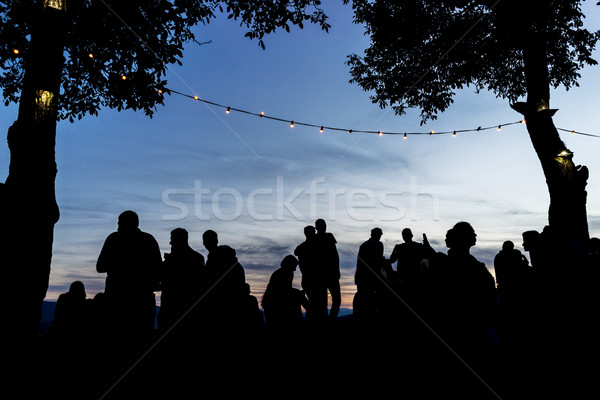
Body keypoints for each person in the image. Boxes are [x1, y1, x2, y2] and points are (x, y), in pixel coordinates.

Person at [96, 210, 161, 338]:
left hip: (117, 299)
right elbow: (158, 270)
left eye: (119, 223)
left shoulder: (113, 239)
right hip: (142, 300)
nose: (118, 227)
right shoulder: (148, 240)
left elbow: (100, 266)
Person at [157, 228, 205, 334]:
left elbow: (160, 277)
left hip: (171, 309)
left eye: (172, 240)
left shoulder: (173, 261)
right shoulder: (198, 258)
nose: (170, 243)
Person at [261, 255, 308, 335]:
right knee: (299, 296)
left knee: (299, 295)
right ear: (289, 264)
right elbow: (284, 291)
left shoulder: (282, 272)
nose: (295, 269)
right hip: (275, 303)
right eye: (294, 266)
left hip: (274, 302)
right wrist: (299, 293)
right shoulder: (285, 273)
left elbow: (286, 290)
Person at [353, 228, 388, 323]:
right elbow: (378, 261)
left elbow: (359, 262)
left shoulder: (363, 245)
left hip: (360, 276)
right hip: (372, 277)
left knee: (363, 302)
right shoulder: (378, 244)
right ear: (378, 235)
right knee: (373, 301)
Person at [294, 225, 327, 325]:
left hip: (307, 280)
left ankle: (311, 324)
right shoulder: (317, 245)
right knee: (319, 305)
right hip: (318, 279)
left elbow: (296, 252)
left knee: (313, 305)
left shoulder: (302, 247)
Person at [313, 219, 341, 322]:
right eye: (323, 225)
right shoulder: (328, 237)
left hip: (325, 274)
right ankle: (329, 321)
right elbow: (335, 255)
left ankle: (329, 320)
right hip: (327, 274)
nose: (324, 227)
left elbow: (335, 255)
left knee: (330, 300)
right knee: (333, 300)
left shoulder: (317, 238)